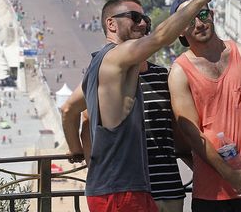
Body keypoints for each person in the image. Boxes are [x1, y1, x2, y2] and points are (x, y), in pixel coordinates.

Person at [61, 0, 231, 212]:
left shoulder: (96, 66)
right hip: (122, 191)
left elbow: (68, 109)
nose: (143, 24)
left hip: (109, 188)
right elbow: (161, 37)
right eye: (135, 17)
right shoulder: (116, 56)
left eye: (146, 20)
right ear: (111, 24)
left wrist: (75, 150)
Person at [168, 0, 241, 212]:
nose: (199, 23)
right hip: (212, 192)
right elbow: (192, 132)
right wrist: (230, 175)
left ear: (212, 14)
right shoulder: (179, 72)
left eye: (202, 14)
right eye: (190, 19)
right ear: (180, 28)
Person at [79, 16, 187, 212]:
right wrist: (93, 167)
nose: (142, 38)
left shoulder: (163, 75)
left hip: (162, 185)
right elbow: (80, 117)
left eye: (144, 35)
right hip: (128, 188)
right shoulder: (111, 73)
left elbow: (177, 127)